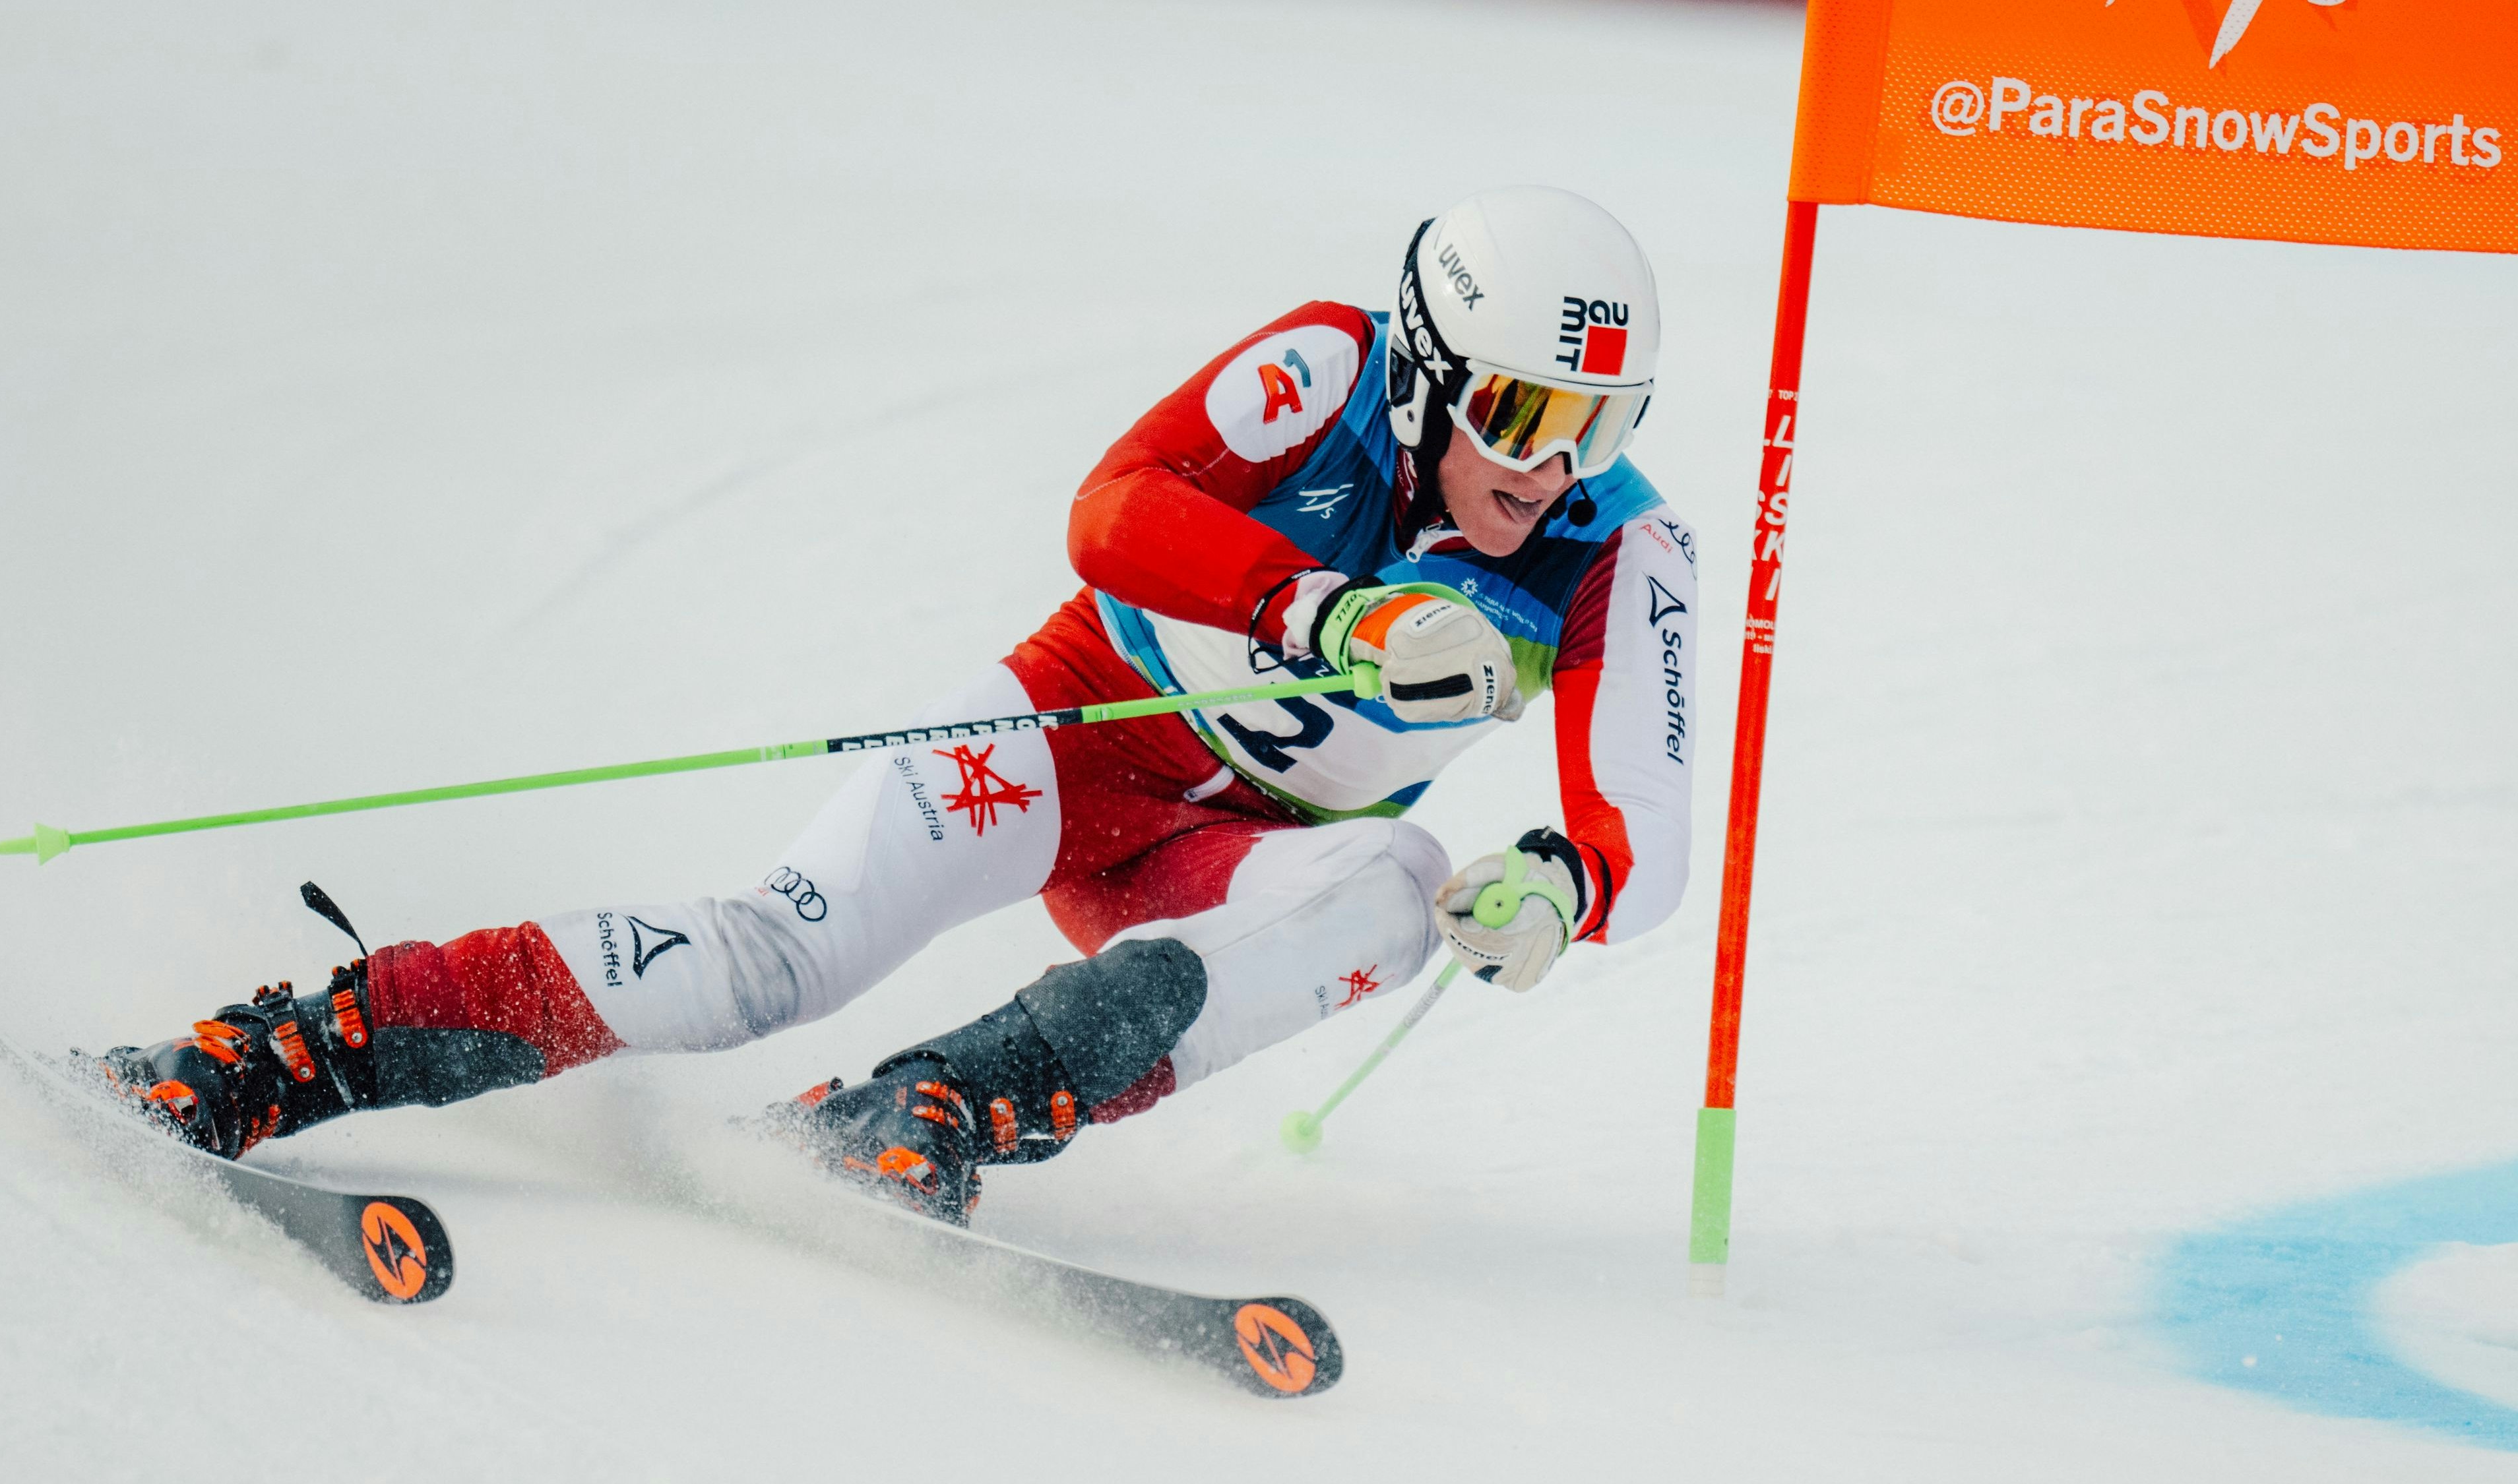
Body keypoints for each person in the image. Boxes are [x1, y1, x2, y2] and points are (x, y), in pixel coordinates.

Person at [89, 185, 1699, 1225]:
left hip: (1224, 866)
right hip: (1072, 735)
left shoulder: (1614, 545)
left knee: (1399, 894)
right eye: (1515, 412)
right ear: (1426, 373)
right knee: (773, 951)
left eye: (1591, 419)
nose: (1544, 464)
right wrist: (1323, 608)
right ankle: (297, 1048)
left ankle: (927, 1109)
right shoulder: (1327, 375)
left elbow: (1647, 827)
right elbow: (1111, 508)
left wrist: (1560, 889)